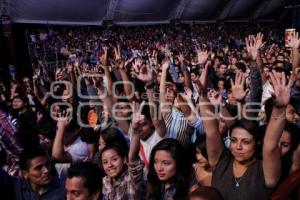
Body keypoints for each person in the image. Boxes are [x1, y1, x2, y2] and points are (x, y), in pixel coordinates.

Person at [199, 65, 292, 200]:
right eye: (234, 140)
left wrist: (279, 108)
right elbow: (211, 132)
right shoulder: (221, 162)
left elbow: (271, 145)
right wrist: (202, 96)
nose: (238, 146)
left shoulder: (264, 172)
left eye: (246, 142)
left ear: (257, 143)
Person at [101, 101, 145, 200]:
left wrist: (135, 131)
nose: (110, 165)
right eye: (105, 162)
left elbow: (132, 158)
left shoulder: (132, 178)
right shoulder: (105, 181)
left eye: (114, 159)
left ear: (124, 159)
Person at [0, 147, 65, 200]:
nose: (46, 170)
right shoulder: (17, 186)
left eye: (47, 164)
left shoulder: (65, 188)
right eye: (39, 168)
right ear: (25, 173)